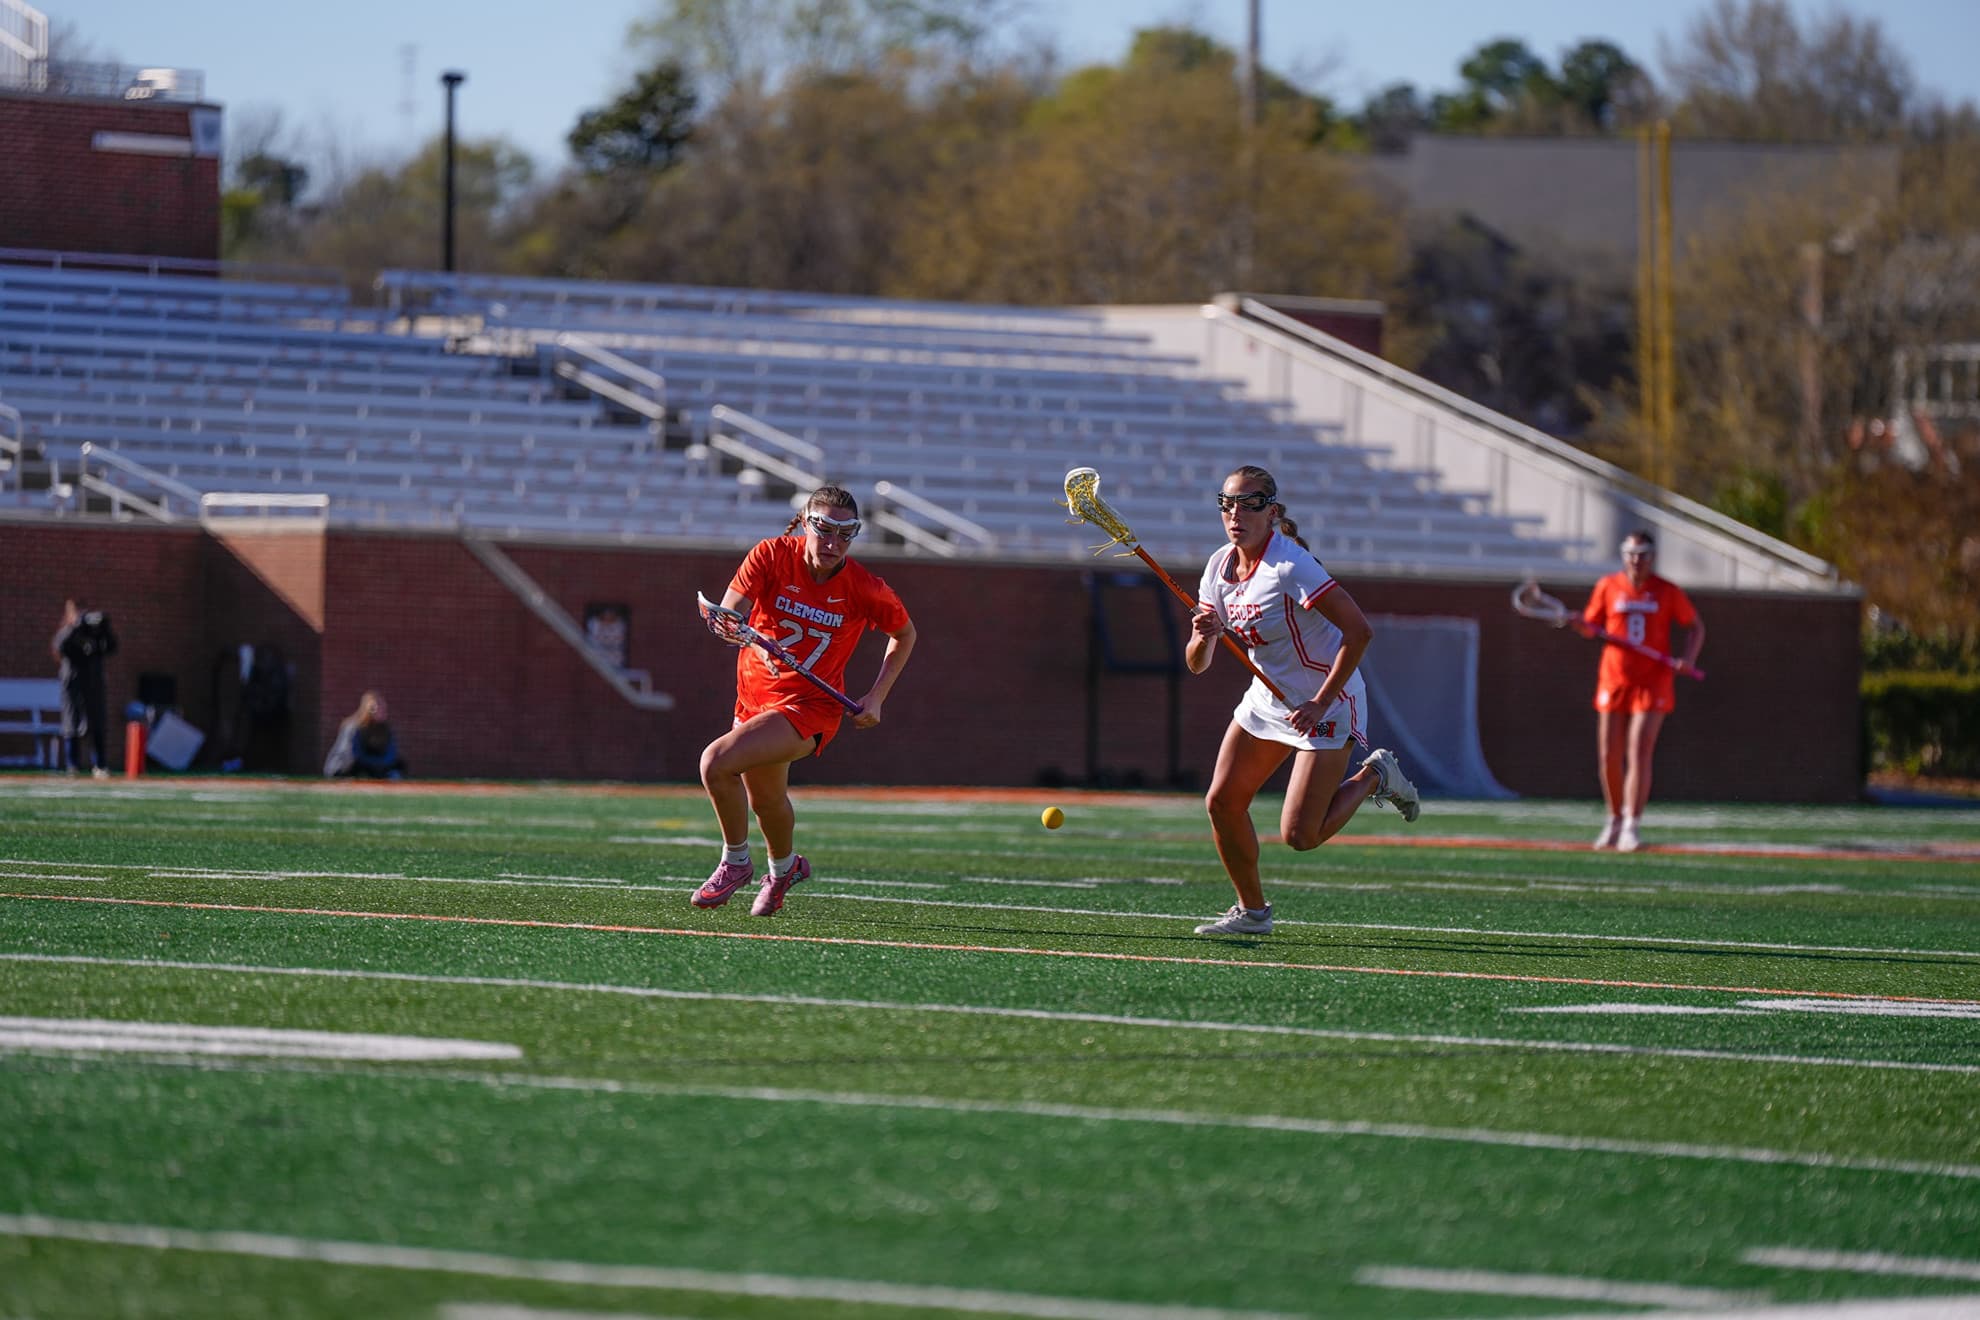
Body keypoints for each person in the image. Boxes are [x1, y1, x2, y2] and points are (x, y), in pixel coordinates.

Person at [1186, 465, 1420, 936]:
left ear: (1271, 512)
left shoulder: (1290, 566)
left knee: (1300, 836)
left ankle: (1375, 776)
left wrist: (1318, 701)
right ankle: (1252, 913)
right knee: (1222, 802)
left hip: (1326, 701)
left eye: (1250, 503)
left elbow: (1359, 632)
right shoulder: (1218, 567)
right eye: (1227, 503)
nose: (1236, 513)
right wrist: (1204, 635)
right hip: (1268, 700)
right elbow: (1197, 663)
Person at [694, 485, 916, 918]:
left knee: (715, 763)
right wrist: (751, 641)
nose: (834, 543)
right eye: (825, 529)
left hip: (809, 708)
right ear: (805, 524)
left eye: (846, 533)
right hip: (754, 699)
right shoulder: (771, 555)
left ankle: (736, 862)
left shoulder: (865, 588)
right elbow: (730, 616)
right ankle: (784, 871)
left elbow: (905, 634)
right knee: (766, 801)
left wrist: (877, 697)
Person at [1583, 530, 1705, 853]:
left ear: (1653, 557)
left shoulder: (1667, 591)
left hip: (1653, 681)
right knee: (1608, 754)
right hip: (1613, 679)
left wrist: (1688, 659)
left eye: (1642, 554)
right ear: (1623, 556)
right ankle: (1614, 819)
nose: (1636, 560)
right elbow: (1589, 627)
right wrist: (1578, 623)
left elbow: (1695, 626)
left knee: (1638, 751)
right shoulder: (1607, 586)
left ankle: (1631, 825)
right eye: (1630, 553)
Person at [51, 599, 118, 778]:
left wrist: (105, 629)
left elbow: (111, 647)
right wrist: (76, 626)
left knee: (97, 722)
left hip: (93, 682)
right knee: (71, 721)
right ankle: (73, 765)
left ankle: (100, 764)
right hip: (72, 682)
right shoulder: (67, 631)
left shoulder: (95, 633)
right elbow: (59, 646)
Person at [323, 690, 407, 779]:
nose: (384, 711)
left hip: (370, 764)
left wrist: (379, 764)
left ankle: (388, 776)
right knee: (355, 764)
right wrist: (374, 764)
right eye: (380, 708)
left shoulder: (385, 729)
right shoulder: (353, 727)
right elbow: (352, 754)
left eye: (384, 708)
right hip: (345, 765)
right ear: (370, 709)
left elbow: (391, 753)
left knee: (399, 763)